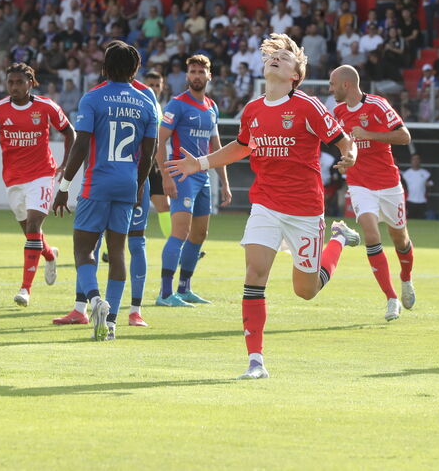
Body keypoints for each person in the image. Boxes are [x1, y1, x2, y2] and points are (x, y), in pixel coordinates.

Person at [166, 33, 360, 380]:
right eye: (273, 56)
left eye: (285, 58)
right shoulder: (253, 110)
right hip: (266, 204)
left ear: (295, 76)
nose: (276, 59)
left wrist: (349, 156)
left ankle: (339, 239)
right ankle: (255, 361)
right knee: (255, 275)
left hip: (305, 210)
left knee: (307, 290)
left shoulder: (308, 106)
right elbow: (242, 147)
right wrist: (201, 164)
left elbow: (345, 142)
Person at [52, 41, 157, 342]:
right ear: (136, 69)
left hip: (97, 183)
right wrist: (137, 187)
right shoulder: (146, 102)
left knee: (84, 249)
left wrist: (64, 187)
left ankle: (95, 300)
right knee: (118, 251)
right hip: (127, 185)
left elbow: (81, 144)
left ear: (105, 68)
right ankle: (110, 323)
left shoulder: (93, 98)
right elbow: (149, 155)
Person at [0, 63, 74, 307]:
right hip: (14, 178)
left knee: (35, 224)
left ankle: (25, 289)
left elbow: (70, 133)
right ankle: (50, 254)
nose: (14, 87)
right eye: (10, 83)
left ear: (30, 83)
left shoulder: (46, 107)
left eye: (19, 82)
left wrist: (66, 163)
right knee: (30, 233)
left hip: (42, 174)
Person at [329, 66, 415, 322]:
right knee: (371, 234)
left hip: (388, 184)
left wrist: (369, 134)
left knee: (399, 238)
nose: (330, 89)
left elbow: (404, 136)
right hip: (359, 184)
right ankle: (391, 298)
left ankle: (406, 278)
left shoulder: (378, 105)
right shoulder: (338, 113)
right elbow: (346, 145)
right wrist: (345, 160)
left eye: (333, 84)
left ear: (346, 85)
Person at [155, 54, 230, 307]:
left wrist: (225, 182)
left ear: (210, 75)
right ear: (187, 76)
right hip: (181, 175)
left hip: (203, 177)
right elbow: (160, 142)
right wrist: (166, 176)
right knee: (180, 232)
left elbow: (216, 145)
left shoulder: (212, 106)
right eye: (193, 72)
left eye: (201, 72)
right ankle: (165, 294)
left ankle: (184, 288)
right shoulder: (177, 104)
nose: (196, 76)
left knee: (200, 234)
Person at [143, 70, 171, 238]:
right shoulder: (140, 105)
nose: (154, 88)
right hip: (139, 165)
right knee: (131, 209)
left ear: (162, 87)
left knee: (164, 207)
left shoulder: (159, 107)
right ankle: (111, 252)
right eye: (150, 85)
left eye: (157, 85)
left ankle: (176, 251)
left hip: (154, 165)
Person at [401, 154, 431, 220]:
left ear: (420, 160)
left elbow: (431, 183)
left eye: (417, 159)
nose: (415, 161)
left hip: (422, 201)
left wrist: (428, 185)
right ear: (411, 161)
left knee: (422, 221)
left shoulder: (426, 173)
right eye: (414, 159)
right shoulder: (406, 174)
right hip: (410, 201)